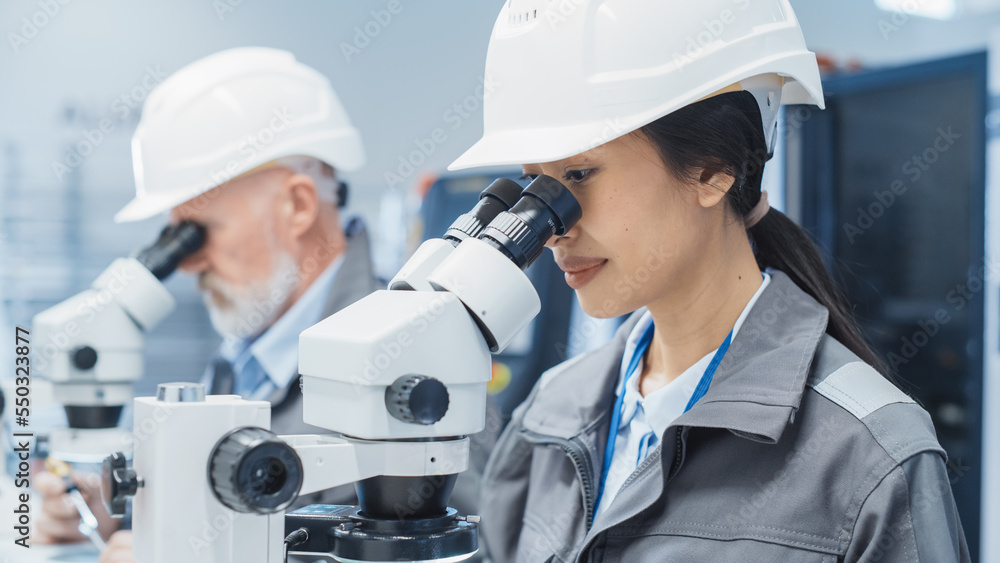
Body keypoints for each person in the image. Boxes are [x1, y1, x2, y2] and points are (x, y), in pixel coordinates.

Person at [448, 1, 970, 561]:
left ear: (713, 168)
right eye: (534, 183)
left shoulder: (869, 456)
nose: (552, 228)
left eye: (577, 174)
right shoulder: (554, 409)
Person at [33, 47, 382, 562]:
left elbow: (469, 549)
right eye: (177, 238)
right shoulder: (242, 355)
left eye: (200, 232)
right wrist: (112, 518)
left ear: (300, 205)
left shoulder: (408, 355)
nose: (190, 264)